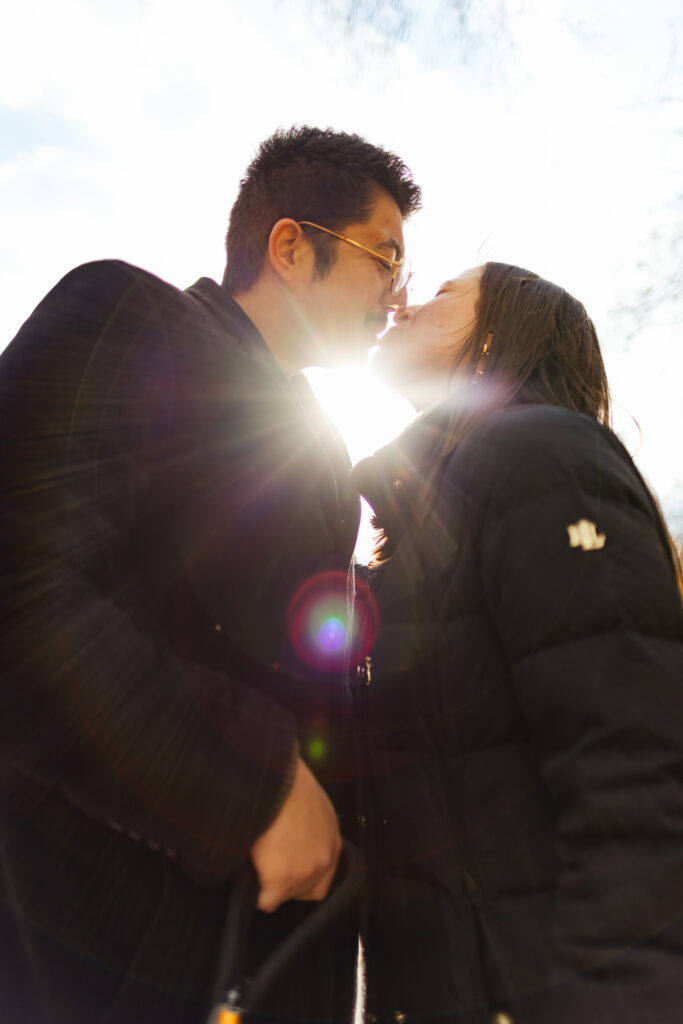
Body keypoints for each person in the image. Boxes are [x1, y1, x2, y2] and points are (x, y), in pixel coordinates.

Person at [0, 126, 420, 1024]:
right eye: (382, 257)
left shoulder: (319, 446)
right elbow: (19, 585)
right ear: (290, 245)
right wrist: (253, 783)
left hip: (267, 964)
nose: (396, 294)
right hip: (93, 948)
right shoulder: (125, 315)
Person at [351, 262, 683, 1024]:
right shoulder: (430, 510)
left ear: (495, 330)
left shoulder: (542, 452)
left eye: (441, 295)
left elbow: (629, 761)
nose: (403, 304)